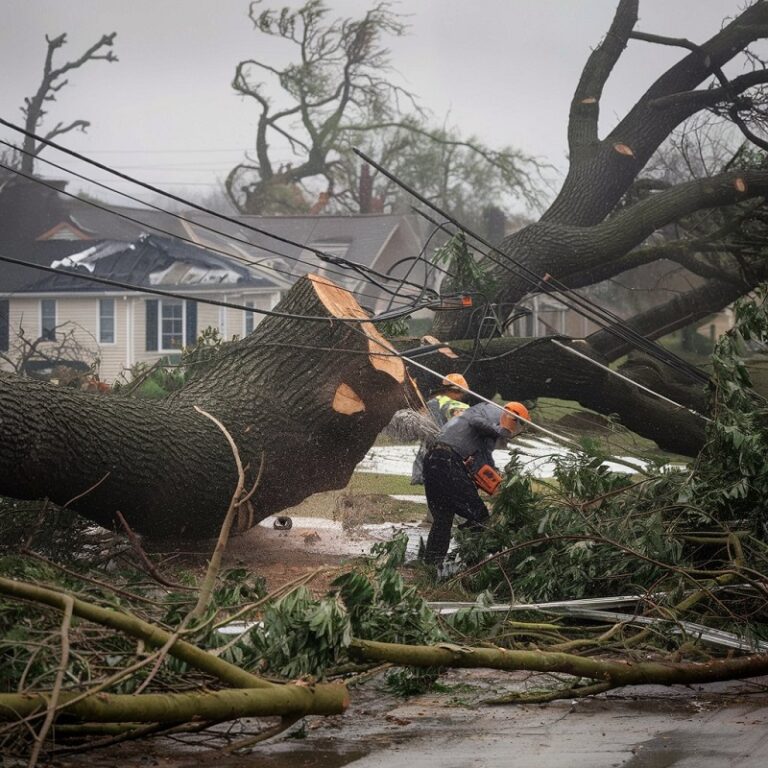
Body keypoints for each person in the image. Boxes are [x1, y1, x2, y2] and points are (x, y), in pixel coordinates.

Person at [421, 400, 529, 567]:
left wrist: (499, 487)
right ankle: (470, 564)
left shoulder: (481, 425)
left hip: (433, 461)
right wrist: (501, 430)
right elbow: (475, 421)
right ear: (514, 419)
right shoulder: (489, 413)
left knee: (443, 518)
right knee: (480, 517)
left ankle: (430, 566)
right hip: (448, 462)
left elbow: (482, 463)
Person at [410, 373, 471, 485]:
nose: (462, 396)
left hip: (432, 438)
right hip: (442, 442)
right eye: (461, 393)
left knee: (425, 451)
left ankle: (419, 476)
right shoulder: (453, 405)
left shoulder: (434, 401)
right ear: (454, 391)